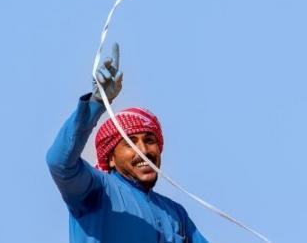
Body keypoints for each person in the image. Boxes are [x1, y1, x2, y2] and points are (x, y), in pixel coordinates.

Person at [46, 44, 209, 242]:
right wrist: (97, 102)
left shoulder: (176, 215)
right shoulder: (97, 191)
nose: (143, 150)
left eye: (149, 140)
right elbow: (60, 163)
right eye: (130, 143)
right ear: (111, 158)